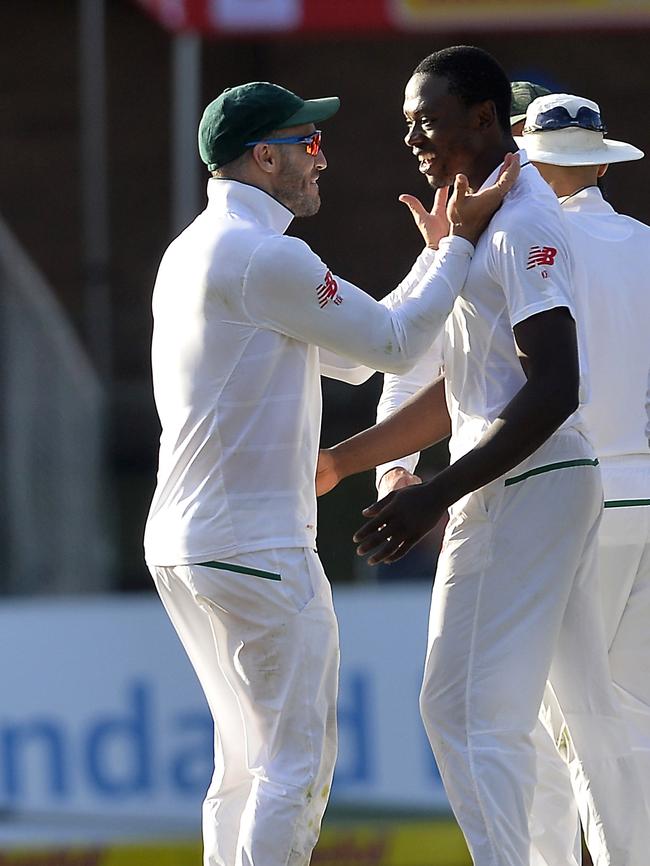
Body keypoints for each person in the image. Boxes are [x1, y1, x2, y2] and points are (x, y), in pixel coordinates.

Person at [143, 80, 518, 866]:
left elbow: (357, 356)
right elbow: (391, 348)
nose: (322, 160)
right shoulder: (264, 255)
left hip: (189, 542)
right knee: (294, 767)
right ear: (264, 157)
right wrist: (456, 246)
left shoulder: (197, 249)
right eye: (307, 146)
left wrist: (431, 259)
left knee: (243, 764)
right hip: (255, 544)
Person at [316, 46, 647, 866]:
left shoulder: (522, 223)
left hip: (525, 485)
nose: (414, 139)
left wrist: (434, 492)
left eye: (428, 122)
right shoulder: (493, 221)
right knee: (596, 719)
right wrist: (352, 461)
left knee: (462, 713)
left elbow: (553, 384)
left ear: (490, 121)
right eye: (408, 125)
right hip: (574, 484)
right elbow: (462, 388)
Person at [515, 91, 650, 866]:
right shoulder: (641, 242)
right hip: (641, 497)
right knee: (624, 718)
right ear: (600, 160)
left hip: (572, 501)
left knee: (567, 723)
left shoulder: (518, 244)